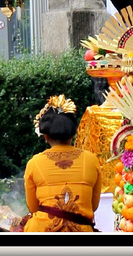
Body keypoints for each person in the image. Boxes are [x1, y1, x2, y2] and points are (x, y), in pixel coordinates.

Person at [22, 95, 102, 232]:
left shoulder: (34, 163)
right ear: (73, 134)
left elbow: (33, 208)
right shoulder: (91, 160)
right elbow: (93, 205)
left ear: (46, 136)